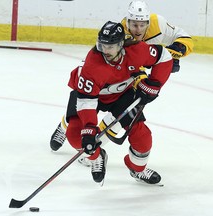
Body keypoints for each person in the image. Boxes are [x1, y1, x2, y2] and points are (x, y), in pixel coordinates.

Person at [50, 0, 193, 165]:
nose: (137, 29)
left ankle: (96, 148)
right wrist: (142, 82)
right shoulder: (121, 35)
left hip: (137, 67)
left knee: (121, 118)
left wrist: (173, 55)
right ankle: (65, 125)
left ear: (148, 22)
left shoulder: (158, 23)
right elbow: (121, 67)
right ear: (127, 21)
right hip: (111, 78)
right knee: (84, 103)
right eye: (133, 24)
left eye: (141, 24)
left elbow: (184, 39)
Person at [61, 21, 173, 184]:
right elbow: (86, 100)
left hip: (122, 95)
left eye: (110, 46)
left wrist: (154, 85)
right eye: (102, 45)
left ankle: (137, 169)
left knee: (142, 137)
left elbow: (164, 57)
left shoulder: (137, 50)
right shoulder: (93, 64)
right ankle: (97, 156)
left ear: (121, 45)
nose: (105, 50)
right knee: (75, 136)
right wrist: (90, 130)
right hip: (91, 96)